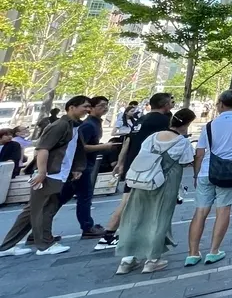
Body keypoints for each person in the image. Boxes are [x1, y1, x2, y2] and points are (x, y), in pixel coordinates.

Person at [0, 96, 91, 257]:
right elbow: (43, 149)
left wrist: (76, 167)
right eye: (84, 106)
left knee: (31, 211)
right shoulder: (60, 125)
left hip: (56, 173)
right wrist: (42, 172)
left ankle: (7, 246)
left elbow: (73, 150)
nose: (87, 109)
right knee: (45, 208)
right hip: (50, 174)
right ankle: (45, 245)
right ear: (71, 107)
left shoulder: (72, 126)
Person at [114, 109, 197, 275]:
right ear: (187, 124)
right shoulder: (182, 142)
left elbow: (142, 154)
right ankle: (152, 260)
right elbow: (187, 161)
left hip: (142, 181)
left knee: (135, 217)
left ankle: (127, 260)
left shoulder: (152, 137)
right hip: (166, 184)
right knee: (159, 219)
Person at [93, 92, 174, 251]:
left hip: (133, 165)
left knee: (128, 201)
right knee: (136, 203)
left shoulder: (141, 119)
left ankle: (112, 235)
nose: (173, 103)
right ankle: (111, 236)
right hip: (148, 167)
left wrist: (121, 163)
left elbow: (128, 141)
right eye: (171, 101)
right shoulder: (163, 121)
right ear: (164, 105)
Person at [187, 89, 232, 267]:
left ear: (221, 104)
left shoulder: (210, 125)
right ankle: (213, 251)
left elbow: (200, 153)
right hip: (229, 171)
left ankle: (193, 253)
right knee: (223, 210)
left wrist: (196, 173)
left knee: (200, 212)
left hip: (206, 171)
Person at [61, 96, 114, 239]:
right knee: (83, 197)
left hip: (83, 165)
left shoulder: (95, 123)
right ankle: (87, 227)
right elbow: (79, 148)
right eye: (101, 105)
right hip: (81, 166)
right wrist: (104, 146)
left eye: (107, 105)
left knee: (63, 197)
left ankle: (38, 227)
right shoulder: (88, 125)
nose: (105, 108)